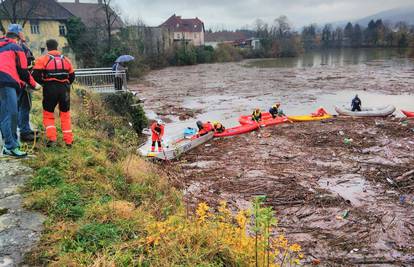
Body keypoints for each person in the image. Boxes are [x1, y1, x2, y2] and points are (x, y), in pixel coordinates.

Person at [0, 24, 41, 157]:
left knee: (5, 114)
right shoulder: (17, 48)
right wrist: (35, 85)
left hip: (5, 82)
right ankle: (10, 146)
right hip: (7, 83)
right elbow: (23, 71)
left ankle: (10, 143)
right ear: (17, 37)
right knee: (11, 114)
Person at [32, 39, 75, 147]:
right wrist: (66, 85)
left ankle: (52, 139)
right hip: (64, 89)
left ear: (47, 47)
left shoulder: (43, 59)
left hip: (50, 88)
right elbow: (72, 76)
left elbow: (35, 76)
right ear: (57, 47)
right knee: (65, 114)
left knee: (48, 114)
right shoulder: (66, 60)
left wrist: (44, 83)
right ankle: (68, 141)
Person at [17, 31, 37, 142]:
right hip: (24, 81)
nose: (24, 35)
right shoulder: (21, 48)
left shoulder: (16, 47)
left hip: (19, 80)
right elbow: (25, 66)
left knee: (22, 105)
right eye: (22, 33)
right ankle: (24, 131)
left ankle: (25, 128)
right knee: (25, 105)